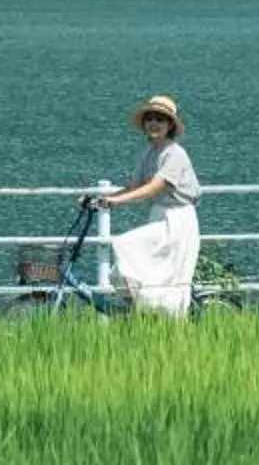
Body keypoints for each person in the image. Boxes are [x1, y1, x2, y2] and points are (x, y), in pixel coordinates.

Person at [86, 94, 201, 316]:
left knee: (131, 247)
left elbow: (153, 187)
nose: (154, 124)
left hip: (178, 220)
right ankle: (142, 313)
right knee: (139, 272)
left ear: (170, 126)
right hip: (160, 216)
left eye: (160, 119)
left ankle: (168, 320)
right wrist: (97, 198)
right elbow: (134, 185)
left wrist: (114, 201)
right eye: (150, 119)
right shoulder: (149, 153)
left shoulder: (175, 154)